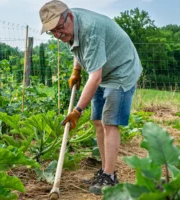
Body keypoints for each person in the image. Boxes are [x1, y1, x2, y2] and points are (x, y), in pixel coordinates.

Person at [39, 0, 142, 195]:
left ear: (68, 17)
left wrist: (77, 110)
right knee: (97, 120)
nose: (59, 35)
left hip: (121, 70)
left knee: (109, 122)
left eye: (60, 29)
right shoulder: (70, 25)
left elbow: (95, 78)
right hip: (104, 68)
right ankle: (105, 170)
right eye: (53, 33)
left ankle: (109, 177)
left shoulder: (91, 30)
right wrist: (76, 70)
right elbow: (78, 47)